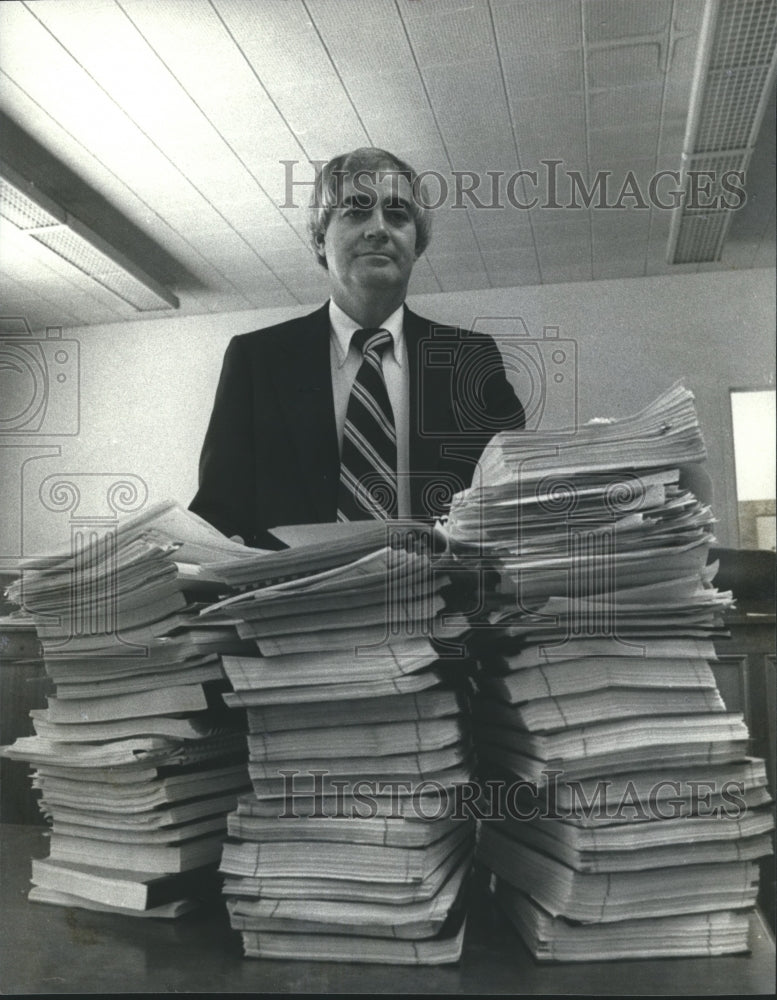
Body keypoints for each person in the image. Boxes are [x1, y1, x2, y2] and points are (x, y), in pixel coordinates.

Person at [190, 147, 525, 548]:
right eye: (356, 210)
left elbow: (514, 503)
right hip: (296, 604)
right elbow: (217, 516)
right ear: (318, 239)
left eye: (397, 215)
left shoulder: (470, 360)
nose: (378, 228)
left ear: (416, 245)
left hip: (440, 604)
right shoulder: (256, 360)